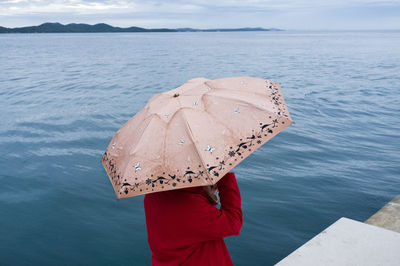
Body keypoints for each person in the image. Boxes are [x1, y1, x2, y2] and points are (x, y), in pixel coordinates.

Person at [144, 172, 243, 265]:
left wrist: (204, 192)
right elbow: (233, 221)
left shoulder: (152, 196)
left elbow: (190, 225)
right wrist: (224, 176)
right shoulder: (191, 206)